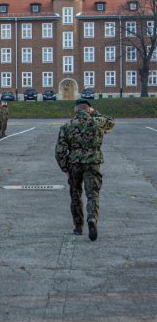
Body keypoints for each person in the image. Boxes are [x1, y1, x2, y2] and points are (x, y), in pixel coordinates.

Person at [55, 98, 115, 241]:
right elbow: (111, 121)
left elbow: (60, 151)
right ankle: (92, 219)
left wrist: (65, 168)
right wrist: (95, 113)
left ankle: (78, 226)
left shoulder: (67, 125)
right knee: (92, 194)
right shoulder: (97, 122)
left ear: (75, 110)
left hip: (74, 164)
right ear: (89, 109)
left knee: (75, 196)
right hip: (93, 162)